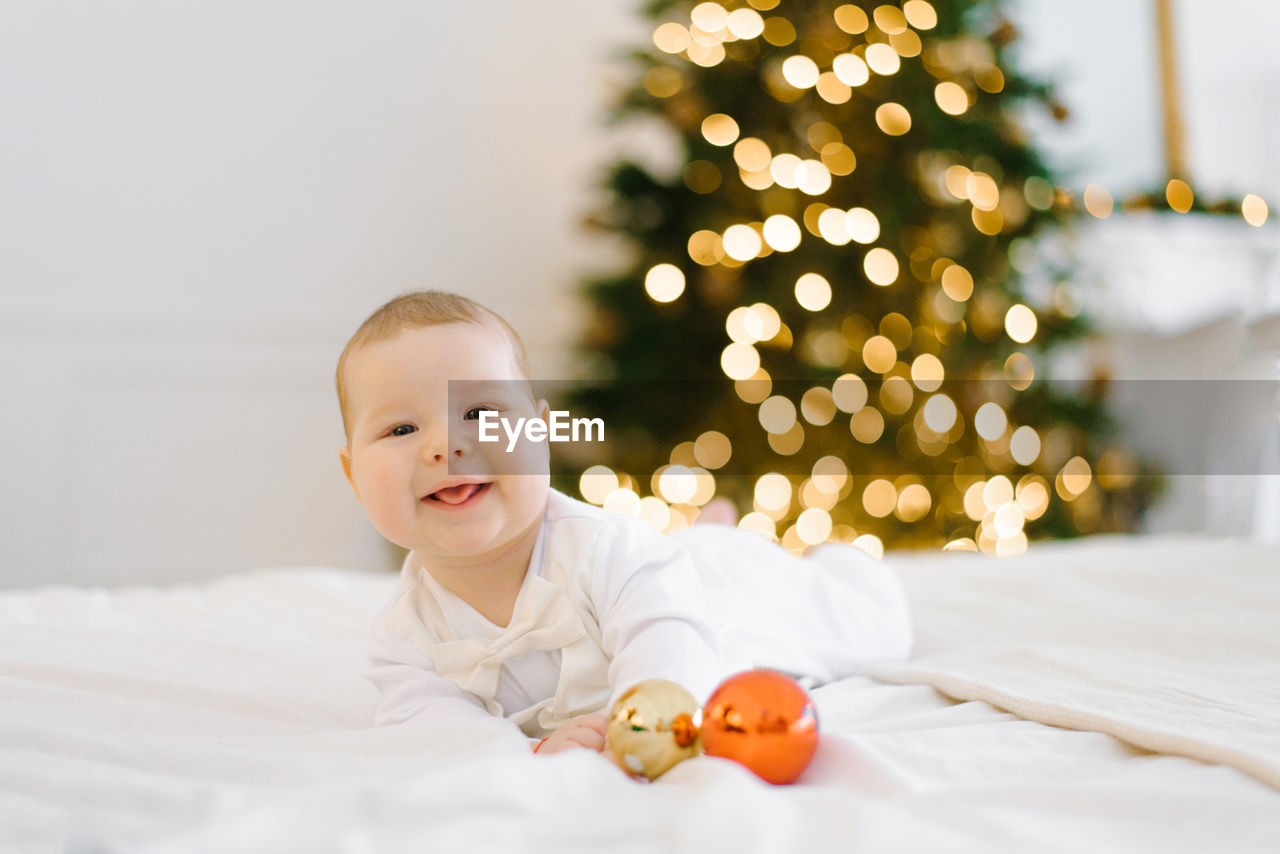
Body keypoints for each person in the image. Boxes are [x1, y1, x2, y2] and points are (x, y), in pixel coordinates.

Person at [337, 291, 912, 756]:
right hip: (667, 558)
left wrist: (634, 723)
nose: (445, 446)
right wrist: (524, 754)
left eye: (480, 414)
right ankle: (709, 532)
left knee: (867, 626)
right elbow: (429, 729)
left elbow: (672, 641)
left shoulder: (605, 553)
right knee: (686, 548)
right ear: (353, 474)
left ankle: (819, 558)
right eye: (401, 430)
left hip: (724, 593)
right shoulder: (402, 637)